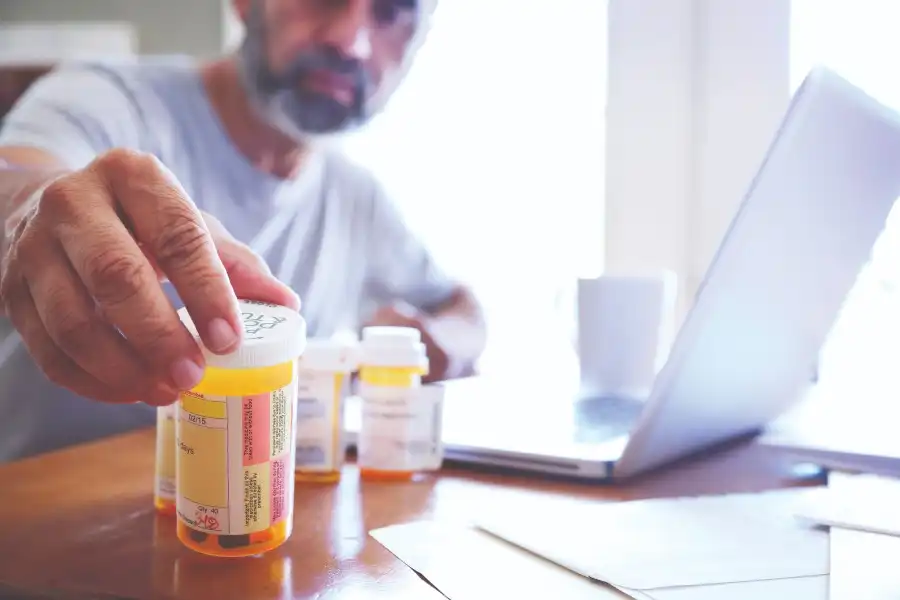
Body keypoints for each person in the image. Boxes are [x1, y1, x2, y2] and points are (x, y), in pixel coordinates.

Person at [0, 0, 486, 462]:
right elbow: (19, 179)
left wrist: (438, 345)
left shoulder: (358, 199)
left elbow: (462, 309)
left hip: (244, 524)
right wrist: (31, 210)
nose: (350, 42)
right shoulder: (104, 98)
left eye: (394, 12)